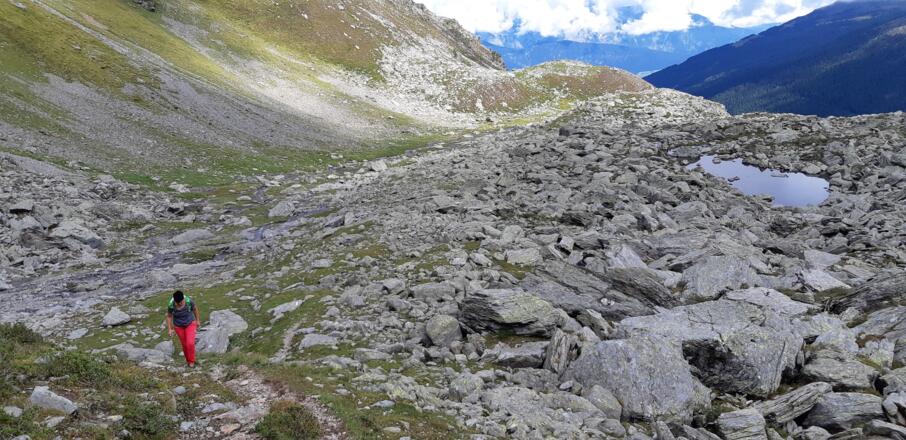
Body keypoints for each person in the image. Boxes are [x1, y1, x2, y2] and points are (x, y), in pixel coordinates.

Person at [166, 290, 200, 368]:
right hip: (178, 326)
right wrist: (170, 329)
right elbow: (169, 316)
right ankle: (188, 361)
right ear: (175, 301)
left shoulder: (188, 301)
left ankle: (192, 362)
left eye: (181, 302)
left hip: (190, 323)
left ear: (183, 299)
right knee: (184, 345)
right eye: (178, 303)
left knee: (190, 343)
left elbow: (195, 309)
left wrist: (197, 320)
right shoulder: (171, 305)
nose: (180, 304)